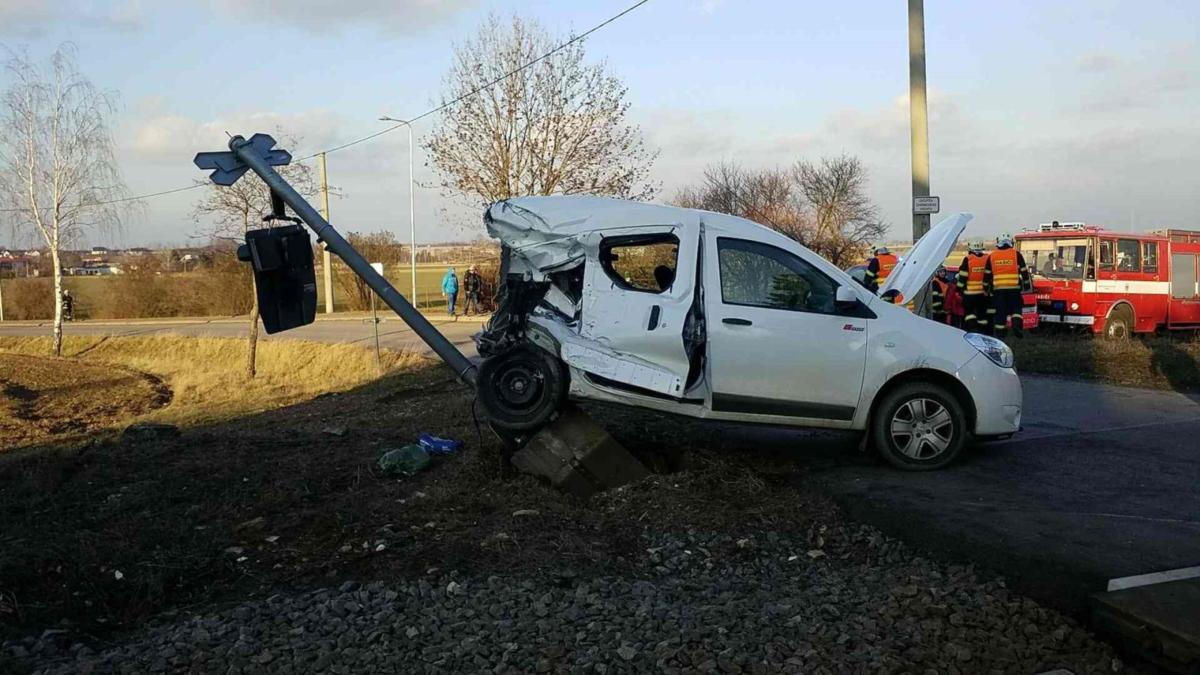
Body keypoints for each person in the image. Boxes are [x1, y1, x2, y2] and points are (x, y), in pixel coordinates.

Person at [984, 233, 1032, 339]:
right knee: (1016, 308)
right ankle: (1016, 325)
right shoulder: (1016, 254)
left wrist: (986, 288)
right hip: (1014, 289)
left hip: (998, 291)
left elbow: (987, 274)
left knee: (1000, 313)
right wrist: (1027, 285)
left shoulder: (992, 256)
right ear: (1010, 242)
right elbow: (1024, 272)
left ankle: (1000, 336)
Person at [955, 242, 991, 335]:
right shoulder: (987, 258)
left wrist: (958, 289)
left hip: (969, 294)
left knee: (969, 312)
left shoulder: (968, 259)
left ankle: (973, 328)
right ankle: (983, 332)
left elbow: (963, 276)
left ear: (970, 248)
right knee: (982, 314)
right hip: (983, 294)